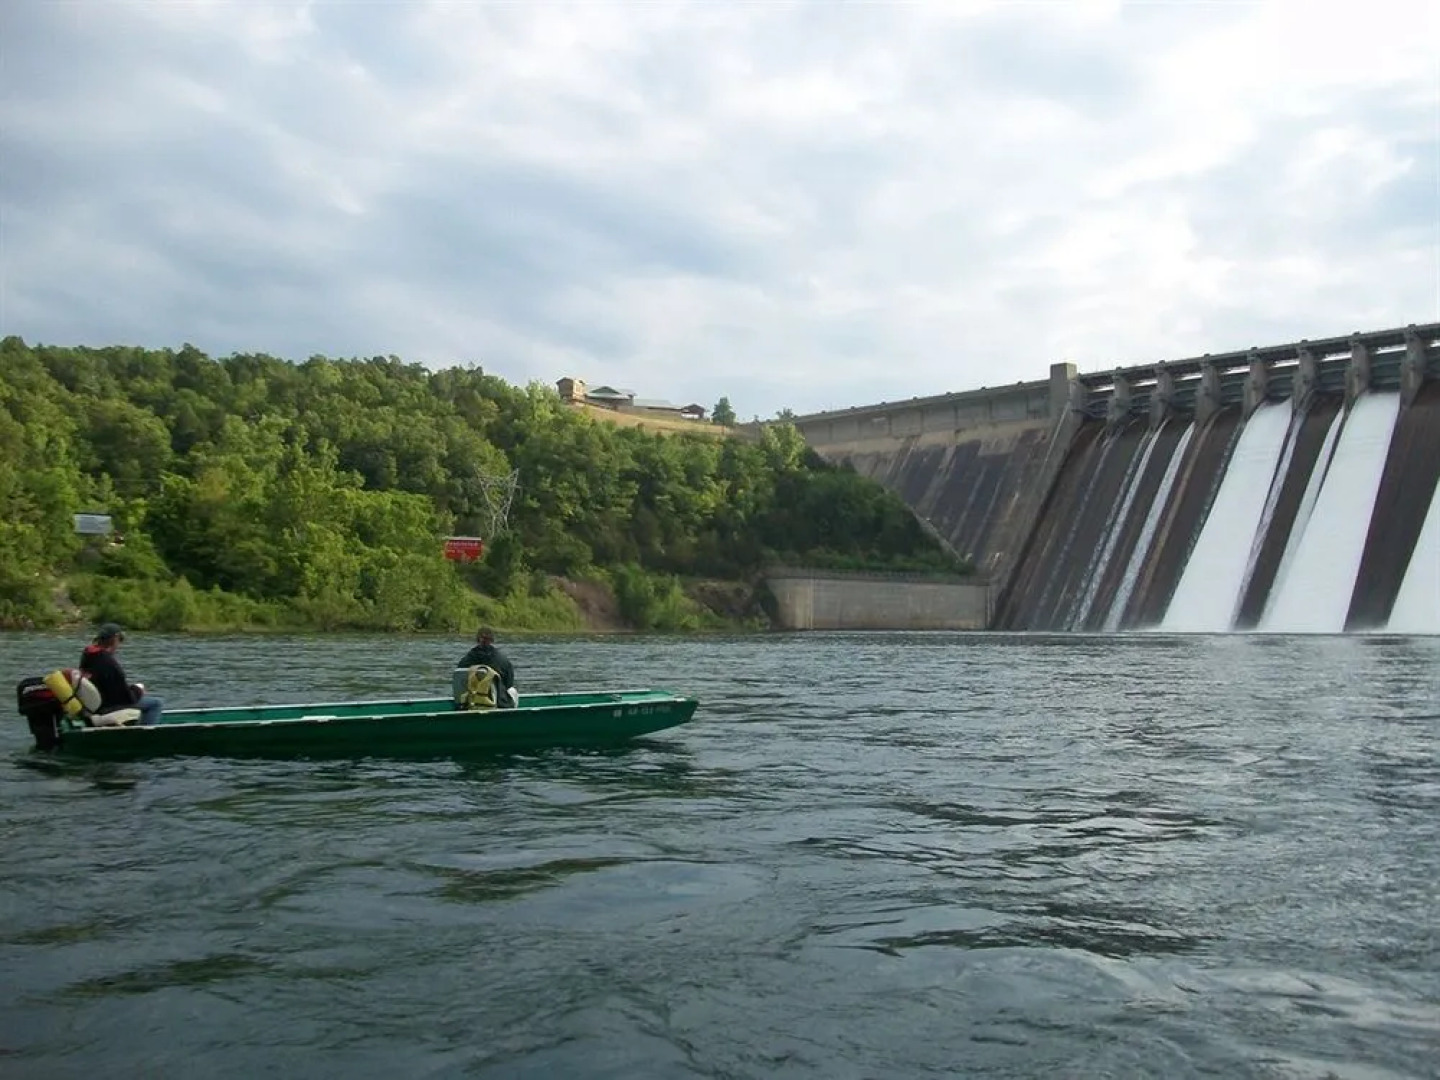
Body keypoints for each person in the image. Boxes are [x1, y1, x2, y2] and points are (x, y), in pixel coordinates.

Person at [79, 623, 163, 725]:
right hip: (107, 707)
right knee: (156, 704)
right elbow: (126, 698)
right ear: (115, 638)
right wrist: (138, 690)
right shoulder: (108, 662)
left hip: (94, 705)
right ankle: (145, 737)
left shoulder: (88, 656)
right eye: (120, 639)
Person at [456, 625, 516, 707]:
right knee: (512, 690)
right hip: (496, 703)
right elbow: (509, 683)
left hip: (468, 703)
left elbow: (459, 681)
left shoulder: (465, 660)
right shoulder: (503, 660)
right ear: (492, 640)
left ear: (477, 639)